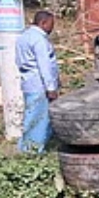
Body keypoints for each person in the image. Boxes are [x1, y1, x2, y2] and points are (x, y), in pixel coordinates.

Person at [16, 10, 59, 153]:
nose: (52, 28)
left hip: (29, 83)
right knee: (40, 120)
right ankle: (33, 152)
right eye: (51, 24)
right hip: (40, 85)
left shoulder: (23, 37)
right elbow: (44, 66)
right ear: (43, 23)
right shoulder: (39, 39)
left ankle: (26, 149)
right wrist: (51, 88)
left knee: (31, 117)